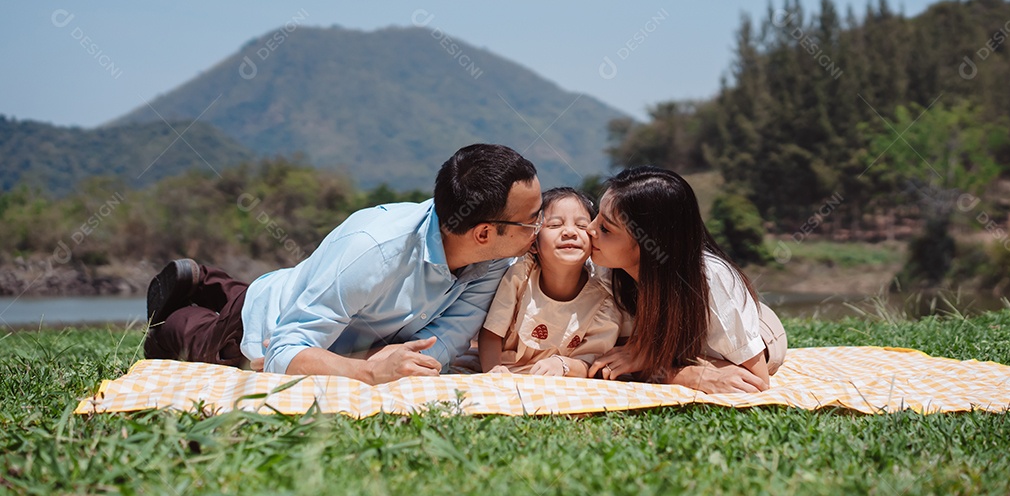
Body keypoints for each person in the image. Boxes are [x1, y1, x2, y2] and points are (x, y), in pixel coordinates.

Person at [143, 143, 542, 385]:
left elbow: (442, 345)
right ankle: (179, 311)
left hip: (308, 294)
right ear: (484, 232)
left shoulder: (492, 259)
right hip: (261, 326)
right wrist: (368, 371)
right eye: (532, 220)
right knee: (191, 333)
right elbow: (282, 353)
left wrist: (376, 361)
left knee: (274, 290)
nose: (540, 230)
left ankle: (208, 280)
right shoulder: (374, 251)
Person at [585, 166, 787, 393]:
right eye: (596, 217)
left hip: (761, 332)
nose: (589, 229)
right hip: (684, 347)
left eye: (605, 228)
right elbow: (625, 355)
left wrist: (683, 372)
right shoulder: (604, 269)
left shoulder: (711, 280)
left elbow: (755, 381)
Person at [478, 187, 621, 377]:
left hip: (564, 382)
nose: (570, 232)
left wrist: (562, 364)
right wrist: (493, 372)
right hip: (508, 372)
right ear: (533, 242)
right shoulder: (520, 276)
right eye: (554, 225)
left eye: (581, 226)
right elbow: (491, 334)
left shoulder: (604, 297)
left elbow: (591, 363)